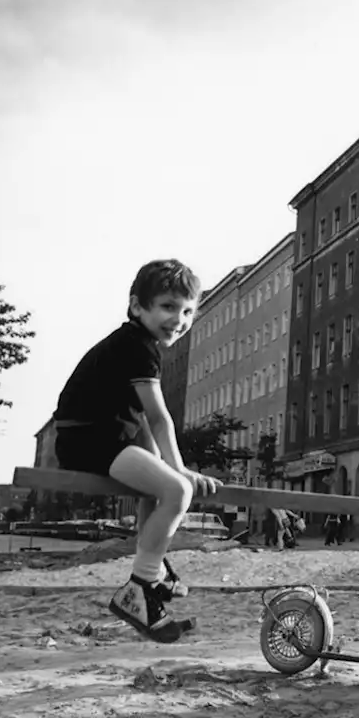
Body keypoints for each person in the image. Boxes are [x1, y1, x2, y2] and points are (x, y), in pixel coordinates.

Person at [52, 259, 219, 643]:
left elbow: (143, 424)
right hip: (90, 440)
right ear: (136, 306)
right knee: (177, 490)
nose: (179, 319)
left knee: (157, 486)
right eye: (167, 306)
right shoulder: (139, 348)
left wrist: (165, 465)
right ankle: (140, 587)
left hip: (102, 435)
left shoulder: (134, 343)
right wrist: (181, 471)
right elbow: (159, 419)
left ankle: (153, 576)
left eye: (188, 310)